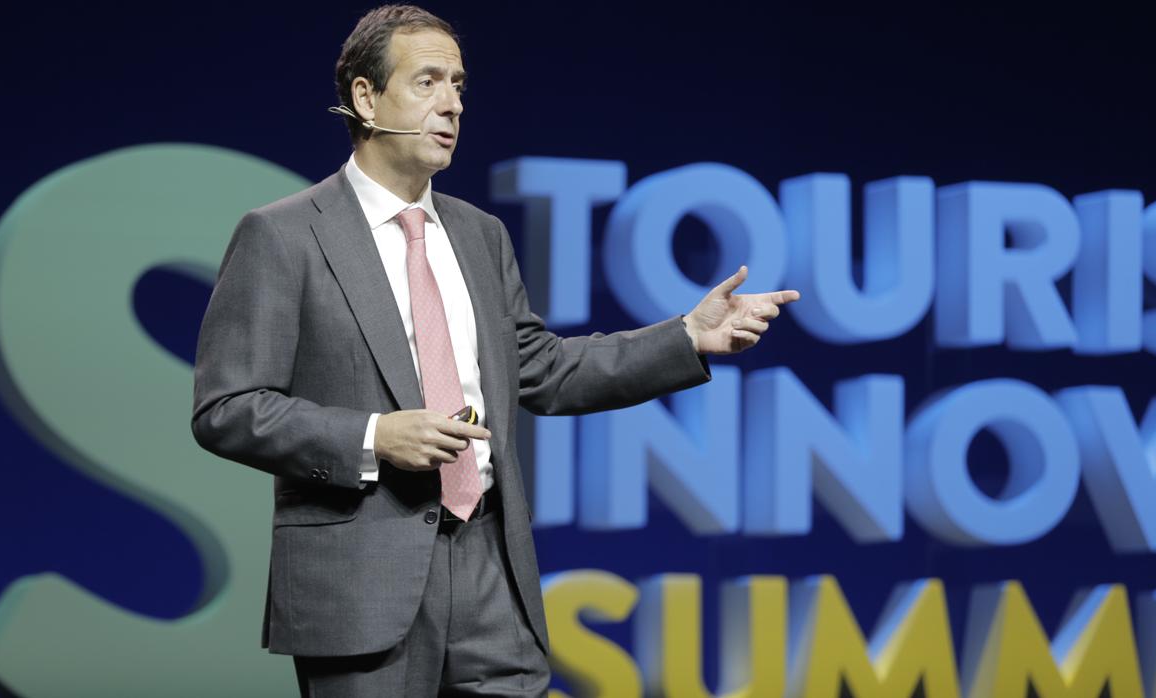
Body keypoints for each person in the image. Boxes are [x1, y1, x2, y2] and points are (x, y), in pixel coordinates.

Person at [191, 4, 799, 696]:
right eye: (427, 82)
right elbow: (228, 408)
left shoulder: (478, 235)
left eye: (458, 86)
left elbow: (540, 370)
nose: (451, 104)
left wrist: (686, 336)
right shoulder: (284, 236)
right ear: (365, 97)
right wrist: (374, 435)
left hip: (489, 567)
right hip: (364, 579)